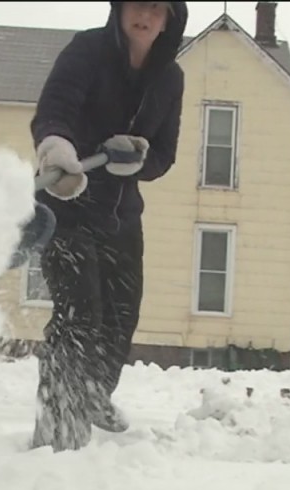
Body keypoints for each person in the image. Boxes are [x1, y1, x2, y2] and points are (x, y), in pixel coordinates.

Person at [28, 1, 188, 452]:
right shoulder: (88, 51)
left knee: (120, 318)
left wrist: (139, 160)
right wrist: (56, 148)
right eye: (138, 3)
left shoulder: (170, 78)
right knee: (80, 315)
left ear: (169, 20)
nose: (145, 15)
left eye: (157, 8)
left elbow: (164, 154)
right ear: (119, 8)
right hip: (67, 205)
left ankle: (91, 393)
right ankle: (58, 432)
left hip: (121, 217)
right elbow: (54, 110)